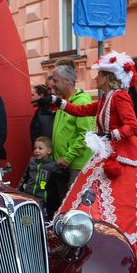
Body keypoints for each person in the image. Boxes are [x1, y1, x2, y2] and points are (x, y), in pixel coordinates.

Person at [54, 51, 137, 273]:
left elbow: (133, 126)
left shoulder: (119, 96)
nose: (95, 79)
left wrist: (112, 135)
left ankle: (117, 250)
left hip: (124, 154)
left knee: (126, 202)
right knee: (94, 196)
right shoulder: (106, 98)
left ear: (108, 78)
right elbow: (81, 110)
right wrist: (56, 102)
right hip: (106, 153)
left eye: (99, 76)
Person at [49, 59, 94, 191]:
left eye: (56, 81)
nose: (53, 85)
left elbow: (86, 134)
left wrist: (68, 157)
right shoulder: (64, 102)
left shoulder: (81, 102)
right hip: (63, 165)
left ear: (67, 81)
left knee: (73, 205)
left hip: (76, 165)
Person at [18, 137, 58, 211]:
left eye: (40, 148)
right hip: (28, 195)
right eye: (35, 148)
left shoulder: (52, 165)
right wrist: (18, 190)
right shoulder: (32, 161)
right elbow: (24, 177)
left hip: (42, 198)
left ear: (48, 151)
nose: (36, 151)